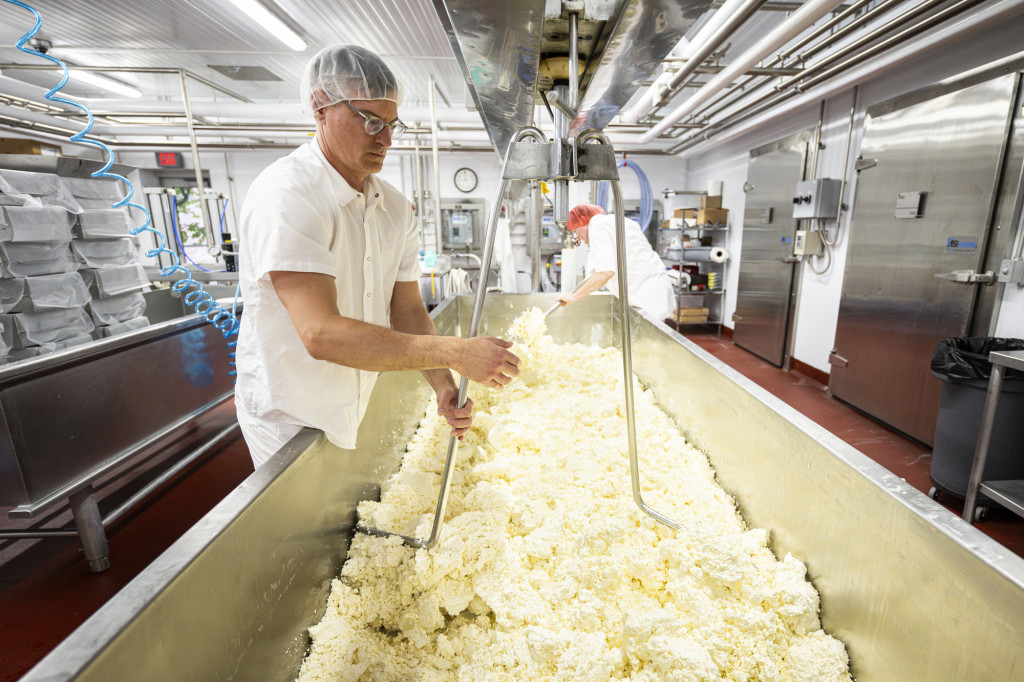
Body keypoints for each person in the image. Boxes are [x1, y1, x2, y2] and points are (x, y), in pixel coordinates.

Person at [234, 45, 520, 468]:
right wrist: (455, 351)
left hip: (351, 404)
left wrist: (442, 384)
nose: (384, 139)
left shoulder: (393, 207)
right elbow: (320, 333)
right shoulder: (288, 195)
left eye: (391, 124)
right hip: (289, 418)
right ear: (320, 108)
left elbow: (406, 310)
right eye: (369, 121)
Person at [557, 204, 676, 321]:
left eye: (576, 231)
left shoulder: (597, 227)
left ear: (582, 222)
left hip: (646, 294)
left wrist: (573, 297)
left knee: (648, 339)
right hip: (653, 289)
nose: (578, 236)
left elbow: (605, 272)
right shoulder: (616, 221)